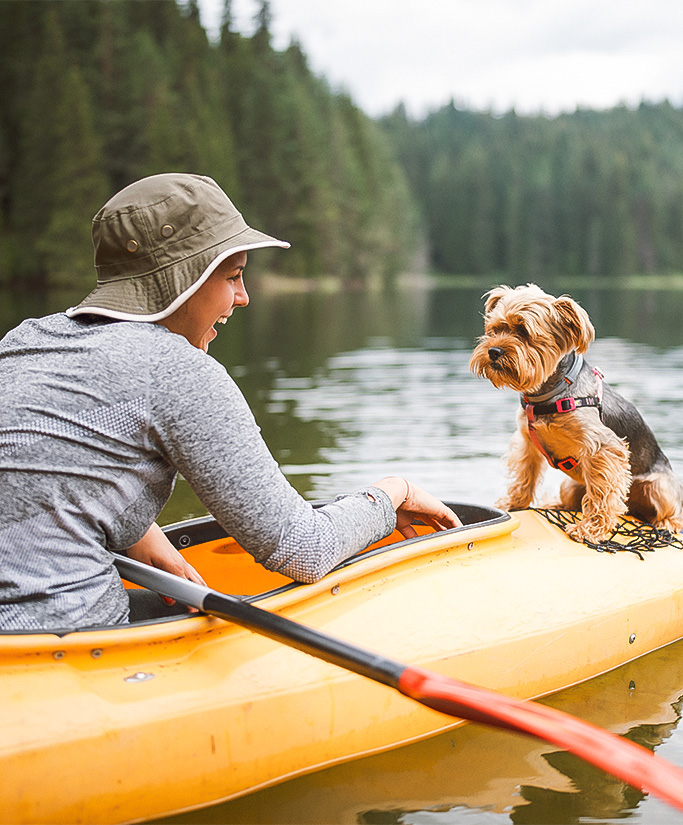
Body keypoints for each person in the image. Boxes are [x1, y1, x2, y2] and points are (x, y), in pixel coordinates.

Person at [0, 173, 461, 631]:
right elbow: (304, 548)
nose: (242, 298)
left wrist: (138, 533)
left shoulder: (25, 341)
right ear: (183, 280)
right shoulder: (177, 369)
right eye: (233, 276)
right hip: (56, 641)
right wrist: (391, 494)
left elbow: (41, 474)